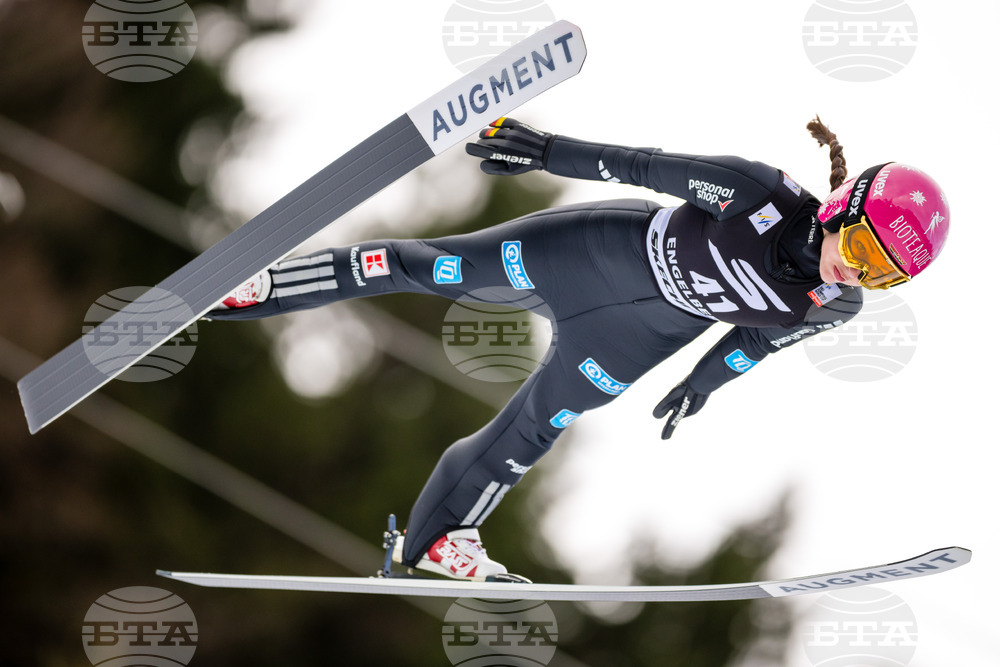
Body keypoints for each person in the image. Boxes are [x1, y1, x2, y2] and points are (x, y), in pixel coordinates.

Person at [208, 117, 950, 581]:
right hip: (593, 254)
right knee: (427, 265)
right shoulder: (754, 192)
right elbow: (643, 164)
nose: (855, 269)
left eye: (882, 272)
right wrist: (546, 151)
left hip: (635, 337)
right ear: (840, 206)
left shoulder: (835, 301)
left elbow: (757, 339)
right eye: (859, 245)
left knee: (536, 427)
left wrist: (703, 383)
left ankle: (437, 540)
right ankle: (261, 285)